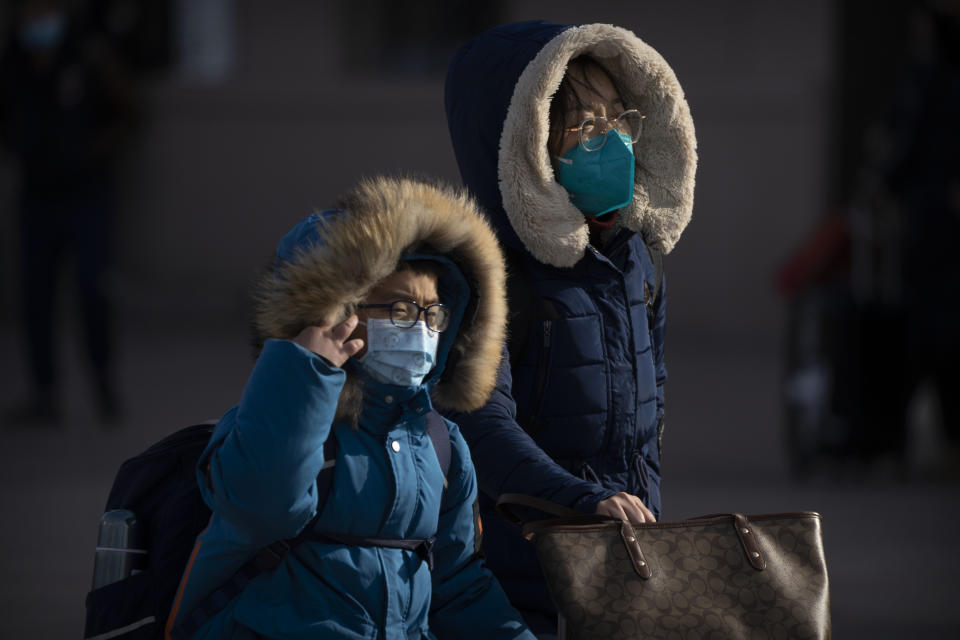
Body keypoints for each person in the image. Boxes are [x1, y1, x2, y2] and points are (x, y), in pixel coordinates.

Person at [165, 177, 535, 639]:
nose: (420, 329)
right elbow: (262, 505)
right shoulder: (272, 420)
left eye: (433, 314)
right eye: (399, 310)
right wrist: (302, 372)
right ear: (339, 309)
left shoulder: (441, 445)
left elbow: (458, 584)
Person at [443, 21, 697, 634]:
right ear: (524, 141)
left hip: (619, 569)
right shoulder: (486, 273)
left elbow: (648, 421)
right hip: (516, 578)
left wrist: (642, 527)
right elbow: (480, 424)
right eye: (583, 124)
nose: (608, 141)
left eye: (618, 118)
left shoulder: (636, 258)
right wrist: (582, 504)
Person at [0, 0, 137, 425]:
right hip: (37, 195)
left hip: (86, 196)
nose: (34, 18)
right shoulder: (15, 60)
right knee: (35, 295)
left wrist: (93, 154)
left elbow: (127, 112)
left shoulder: (90, 54)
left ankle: (103, 386)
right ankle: (45, 395)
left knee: (92, 289)